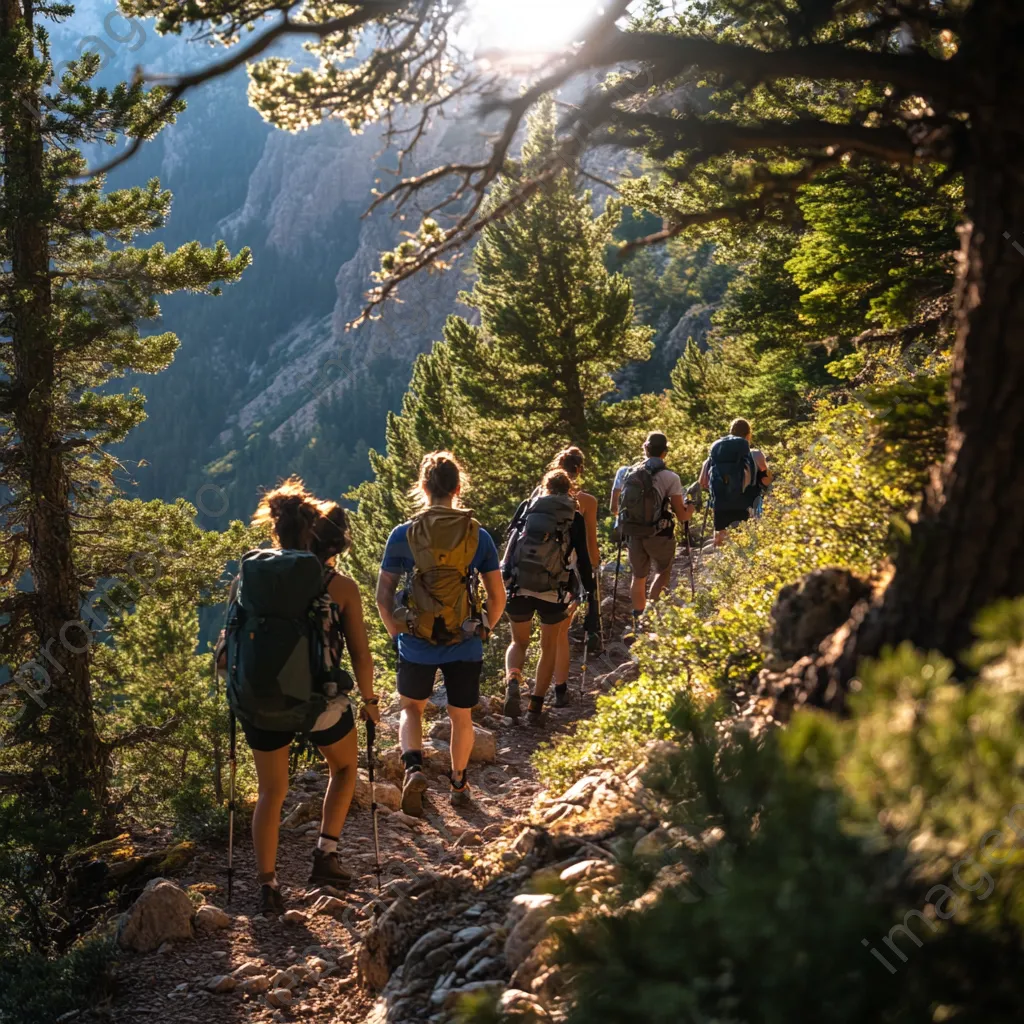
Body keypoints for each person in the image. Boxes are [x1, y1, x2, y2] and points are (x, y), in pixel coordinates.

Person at [221, 479, 380, 917]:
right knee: (344, 766)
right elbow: (361, 656)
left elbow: (228, 646)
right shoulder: (339, 585)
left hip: (259, 700)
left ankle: (268, 885)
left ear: (278, 531)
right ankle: (325, 856)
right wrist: (369, 702)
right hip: (318, 702)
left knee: (271, 791)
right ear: (315, 534)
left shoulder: (249, 577)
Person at [376, 452, 506, 817]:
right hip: (464, 641)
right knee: (461, 716)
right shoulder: (476, 536)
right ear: (457, 488)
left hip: (417, 640)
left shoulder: (405, 534)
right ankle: (459, 783)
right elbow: (498, 596)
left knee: (410, 708)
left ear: (423, 487)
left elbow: (383, 594)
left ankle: (414, 769)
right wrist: (485, 628)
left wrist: (395, 632)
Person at [502, 468, 596, 724]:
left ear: (545, 487)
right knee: (549, 646)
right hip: (553, 591)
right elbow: (584, 559)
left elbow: (510, 543)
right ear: (570, 490)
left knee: (518, 642)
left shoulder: (527, 508)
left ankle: (512, 678)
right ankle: (535, 706)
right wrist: (589, 590)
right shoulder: (573, 517)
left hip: (519, 586)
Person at [612, 431, 694, 637]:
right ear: (665, 453)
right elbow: (682, 515)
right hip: (659, 534)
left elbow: (615, 508)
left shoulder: (627, 473)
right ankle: (652, 617)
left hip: (634, 534)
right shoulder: (670, 477)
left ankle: (639, 621)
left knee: (639, 577)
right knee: (663, 571)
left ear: (645, 449)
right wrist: (691, 507)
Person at [550, 447, 603, 653]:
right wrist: (595, 563)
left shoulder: (541, 498)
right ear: (579, 470)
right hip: (572, 562)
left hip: (543, 560)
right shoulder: (587, 501)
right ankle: (583, 635)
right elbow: (590, 539)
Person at [699, 418, 773, 546]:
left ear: (731, 432)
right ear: (748, 434)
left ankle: (720, 565)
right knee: (747, 544)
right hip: (746, 506)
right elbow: (766, 481)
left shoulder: (715, 456)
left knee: (722, 545)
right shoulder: (755, 455)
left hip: (721, 505)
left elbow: (703, 482)